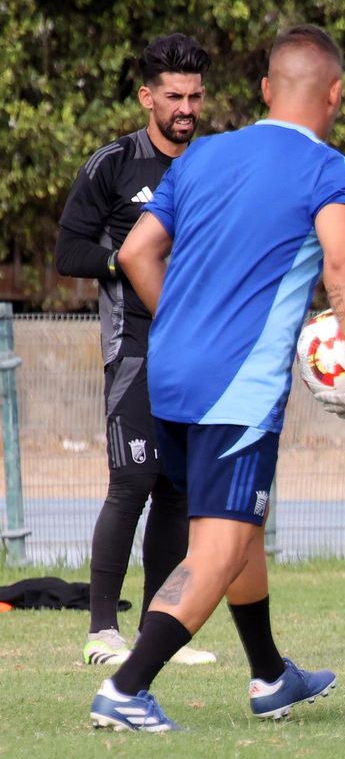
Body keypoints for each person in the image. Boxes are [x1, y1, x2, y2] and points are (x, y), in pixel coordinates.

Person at [88, 25, 345, 732]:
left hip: (167, 377)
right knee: (220, 548)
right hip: (237, 389)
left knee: (240, 525)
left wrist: (184, 327)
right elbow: (342, 267)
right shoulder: (329, 170)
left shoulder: (203, 157)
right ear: (337, 95)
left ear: (264, 89)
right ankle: (126, 688)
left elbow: (136, 252)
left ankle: (269, 676)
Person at [55, 33, 217, 668]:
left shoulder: (210, 164)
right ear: (147, 96)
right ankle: (101, 630)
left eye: (195, 96)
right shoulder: (113, 165)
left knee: (177, 488)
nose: (186, 108)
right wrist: (126, 260)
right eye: (174, 96)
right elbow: (68, 253)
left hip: (197, 349)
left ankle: (159, 632)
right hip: (136, 347)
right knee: (132, 482)